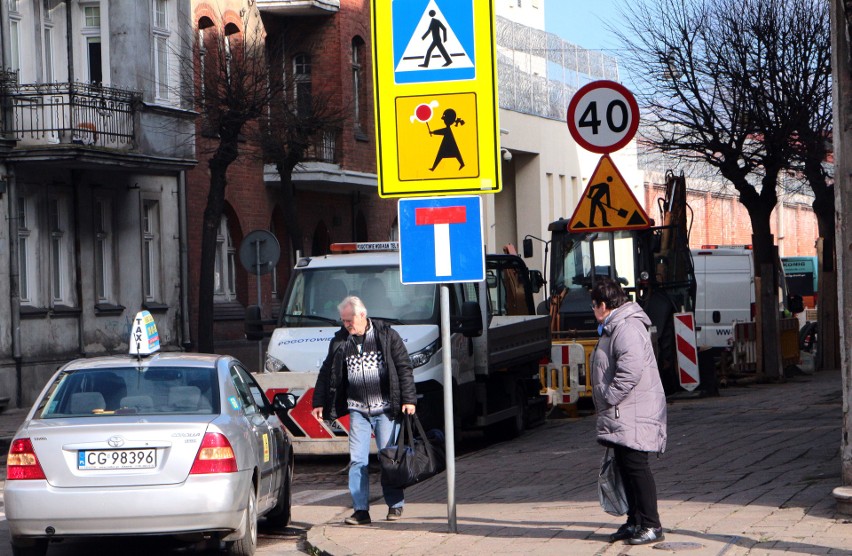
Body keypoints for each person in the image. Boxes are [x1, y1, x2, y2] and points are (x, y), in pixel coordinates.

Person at [311, 296, 417, 526]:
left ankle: (395, 505)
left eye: (349, 320)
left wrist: (409, 399)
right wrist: (318, 402)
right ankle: (361, 511)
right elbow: (326, 372)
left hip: (386, 409)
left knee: (388, 458)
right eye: (343, 321)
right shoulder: (340, 341)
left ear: (362, 315)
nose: (347, 325)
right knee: (358, 461)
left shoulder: (386, 335)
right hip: (357, 410)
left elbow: (404, 367)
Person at [590, 277, 667, 545]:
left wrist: (609, 397)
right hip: (624, 411)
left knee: (636, 467)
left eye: (594, 305)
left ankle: (651, 524)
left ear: (602, 305)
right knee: (625, 466)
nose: (593, 311)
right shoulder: (615, 327)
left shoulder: (626, 328)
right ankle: (634, 520)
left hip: (632, 410)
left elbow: (629, 370)